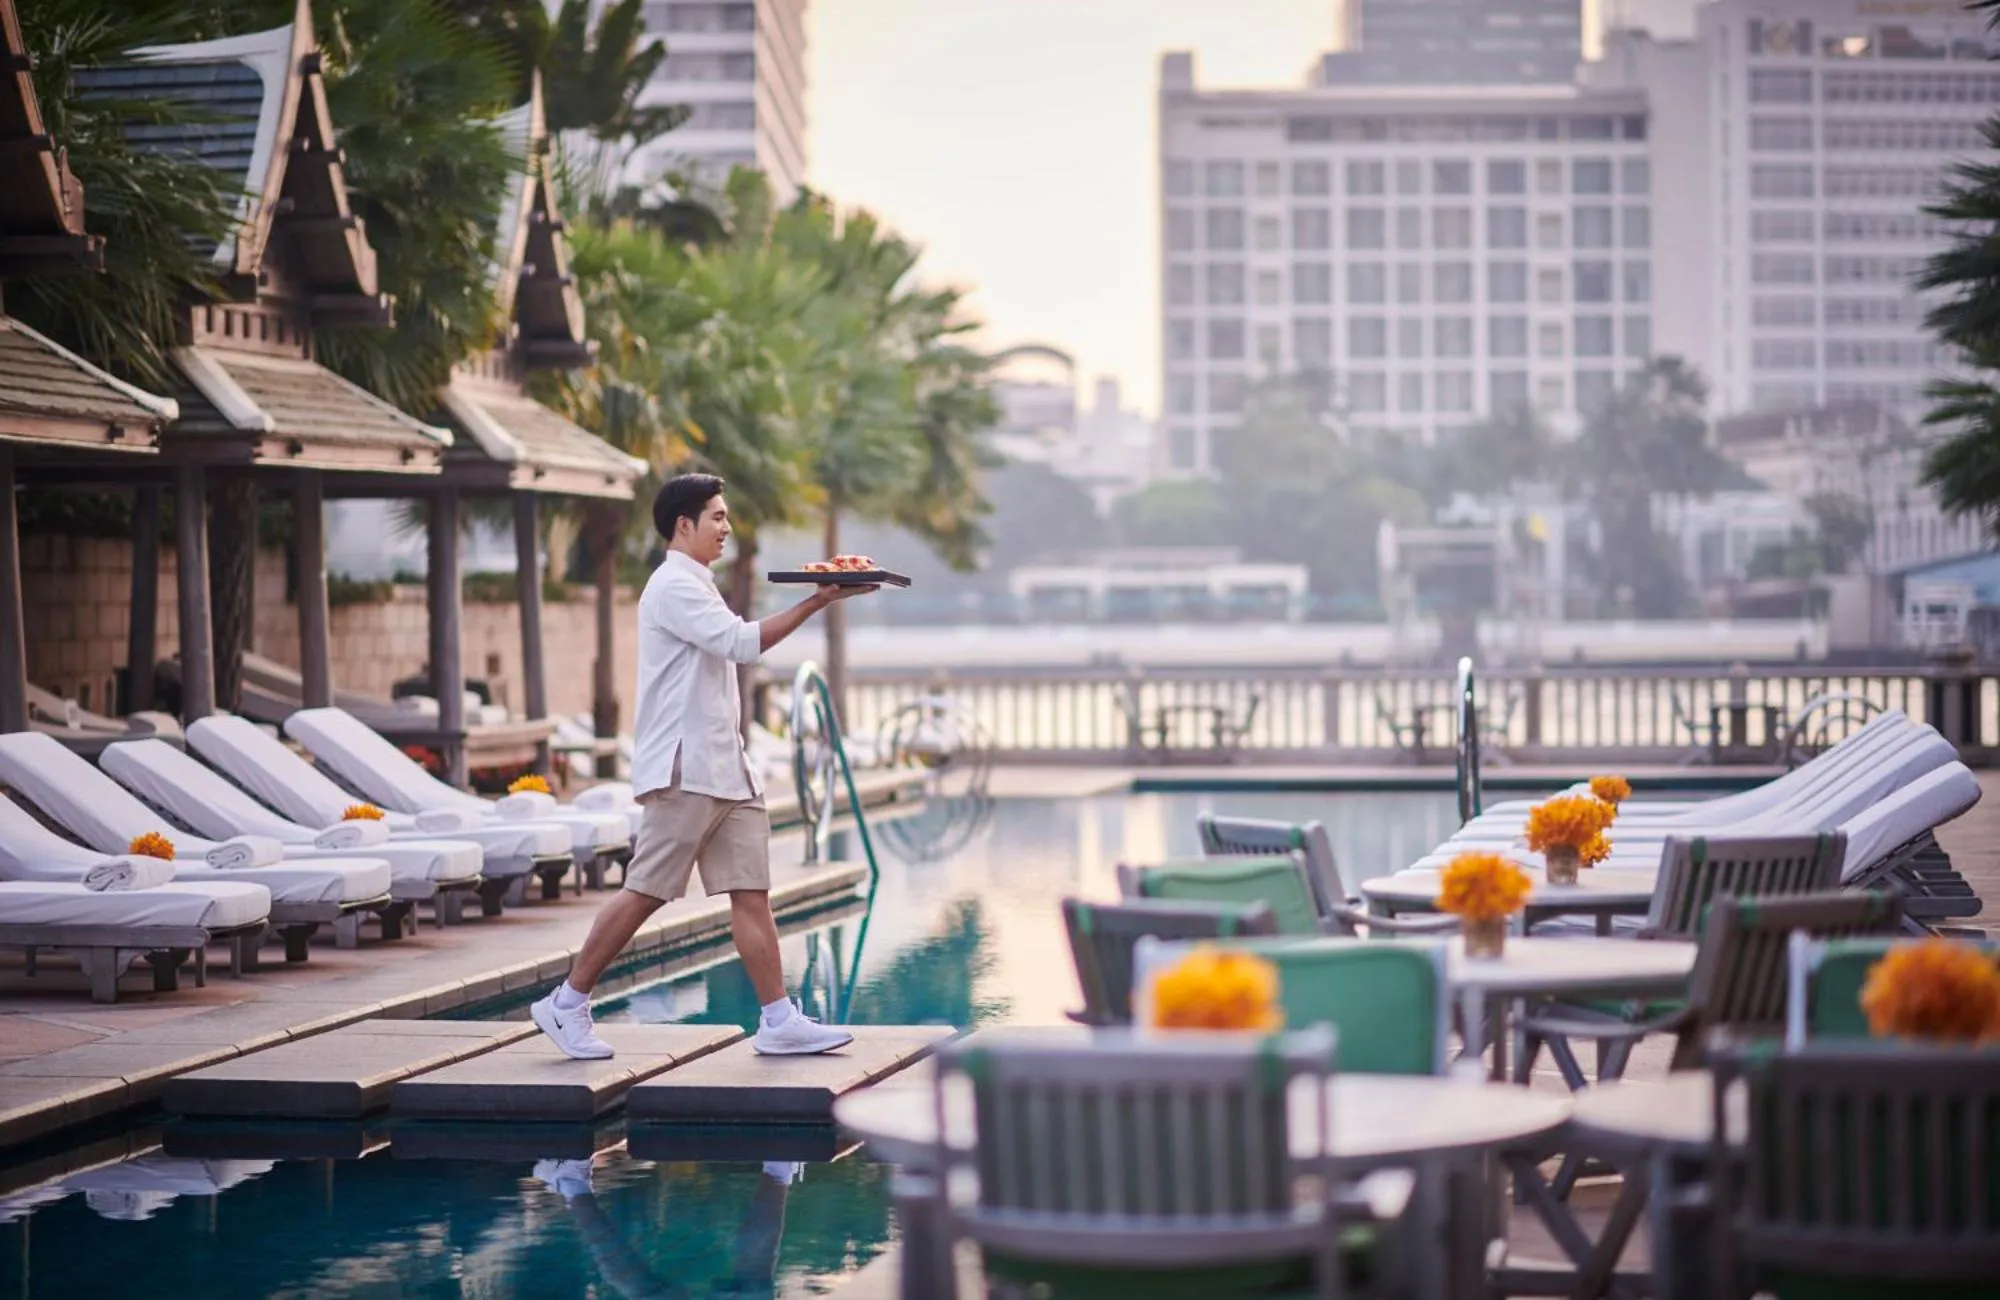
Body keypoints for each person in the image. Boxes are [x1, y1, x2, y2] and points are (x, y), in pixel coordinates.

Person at [531, 473, 875, 1060]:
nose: (726, 527)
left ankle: (777, 1020)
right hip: (686, 770)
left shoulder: (698, 582)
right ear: (682, 525)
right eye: (716, 517)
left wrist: (823, 592)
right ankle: (565, 1004)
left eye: (726, 515)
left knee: (752, 893)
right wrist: (818, 599)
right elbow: (740, 644)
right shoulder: (672, 586)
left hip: (727, 768)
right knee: (646, 892)